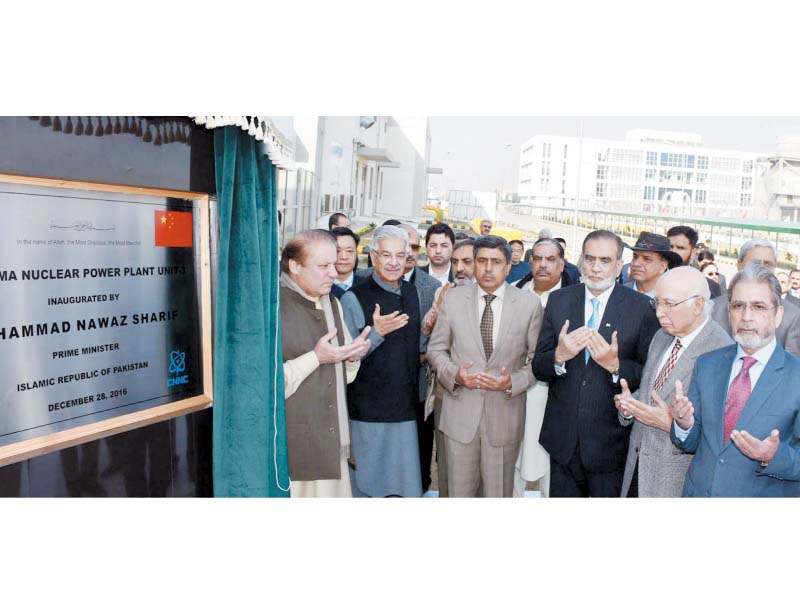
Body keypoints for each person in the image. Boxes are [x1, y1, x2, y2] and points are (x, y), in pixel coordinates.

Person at [533, 230, 660, 497]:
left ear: (619, 267)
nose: (596, 268)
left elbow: (647, 374)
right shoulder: (560, 300)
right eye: (590, 259)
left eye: (605, 260)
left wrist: (615, 366)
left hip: (610, 447)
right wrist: (559, 356)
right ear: (581, 261)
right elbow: (538, 366)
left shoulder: (642, 308)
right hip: (562, 442)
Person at [669, 263, 800, 497]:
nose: (747, 317)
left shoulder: (795, 377)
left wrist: (773, 455)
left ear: (778, 314)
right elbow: (693, 442)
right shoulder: (707, 364)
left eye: (759, 307)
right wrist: (684, 424)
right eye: (738, 306)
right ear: (729, 312)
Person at [427, 235, 543, 497]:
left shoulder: (529, 304)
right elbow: (435, 350)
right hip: (459, 417)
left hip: (504, 418)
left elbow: (537, 361)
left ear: (509, 266)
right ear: (474, 263)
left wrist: (512, 381)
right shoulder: (453, 299)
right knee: (458, 493)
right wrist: (455, 375)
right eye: (482, 261)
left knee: (497, 495)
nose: (488, 268)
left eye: (496, 262)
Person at [616, 267, 732, 497]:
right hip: (637, 468)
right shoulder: (662, 336)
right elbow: (651, 390)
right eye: (657, 303)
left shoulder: (721, 351)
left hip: (676, 481)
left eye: (668, 304)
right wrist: (629, 405)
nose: (659, 312)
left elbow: (718, 435)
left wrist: (671, 424)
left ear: (698, 305)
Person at [280, 230, 372, 497]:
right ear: (295, 266)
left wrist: (352, 357)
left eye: (334, 264)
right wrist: (316, 358)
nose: (334, 273)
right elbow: (263, 386)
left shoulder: (332, 303)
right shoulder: (272, 308)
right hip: (293, 453)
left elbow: (342, 377)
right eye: (323, 266)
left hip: (331, 445)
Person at [339, 226, 424, 497]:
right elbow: (346, 358)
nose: (394, 262)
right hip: (368, 410)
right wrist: (377, 333)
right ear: (373, 257)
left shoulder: (412, 292)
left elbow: (413, 346)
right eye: (386, 255)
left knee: (402, 486)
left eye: (401, 255)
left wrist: (429, 325)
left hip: (405, 408)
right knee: (367, 486)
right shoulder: (355, 297)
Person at [512, 238, 575, 497]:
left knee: (550, 459)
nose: (543, 265)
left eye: (551, 260)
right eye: (537, 259)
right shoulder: (515, 292)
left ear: (562, 264)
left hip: (555, 393)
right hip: (515, 390)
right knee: (514, 457)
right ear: (530, 262)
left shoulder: (575, 298)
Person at [711, 239, 800, 357]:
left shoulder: (792, 315)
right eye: (755, 263)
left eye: (768, 264)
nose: (762, 268)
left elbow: (791, 367)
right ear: (739, 264)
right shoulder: (713, 308)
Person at [667, 225, 723, 298]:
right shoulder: (652, 279)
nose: (673, 251)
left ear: (693, 252)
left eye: (680, 248)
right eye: (670, 247)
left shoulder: (710, 288)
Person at [625, 231, 683, 299]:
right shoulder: (618, 293)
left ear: (663, 266)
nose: (636, 263)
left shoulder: (672, 300)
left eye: (646, 259)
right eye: (635, 257)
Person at [330, 227, 366, 299]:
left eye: (349, 251)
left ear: (356, 253)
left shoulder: (367, 286)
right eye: (338, 251)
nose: (344, 257)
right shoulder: (319, 287)